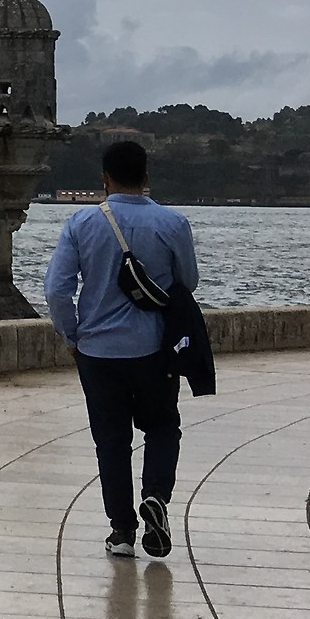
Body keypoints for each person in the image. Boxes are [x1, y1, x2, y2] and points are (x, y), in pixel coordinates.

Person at [43, 140, 200, 559]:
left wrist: (72, 337)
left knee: (111, 441)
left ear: (104, 179)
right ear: (146, 177)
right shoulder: (173, 222)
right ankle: (156, 497)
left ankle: (122, 532)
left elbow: (56, 289)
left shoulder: (81, 222)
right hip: (154, 349)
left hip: (97, 352)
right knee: (162, 427)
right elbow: (188, 282)